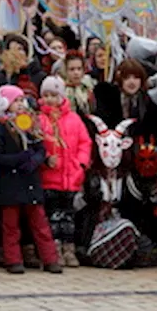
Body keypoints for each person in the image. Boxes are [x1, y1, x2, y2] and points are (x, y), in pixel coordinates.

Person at [0, 85, 61, 275]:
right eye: (15, 101)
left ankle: (50, 258)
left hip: (30, 178)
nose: (20, 105)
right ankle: (13, 259)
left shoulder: (30, 123)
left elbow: (40, 147)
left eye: (21, 100)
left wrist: (36, 160)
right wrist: (20, 159)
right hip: (11, 180)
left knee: (40, 222)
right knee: (11, 225)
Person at [37, 75, 92, 267]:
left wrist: (81, 164)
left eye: (54, 95)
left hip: (71, 177)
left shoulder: (74, 119)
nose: (51, 99)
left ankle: (69, 248)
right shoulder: (40, 120)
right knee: (52, 216)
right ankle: (54, 249)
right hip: (49, 177)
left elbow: (85, 142)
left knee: (69, 216)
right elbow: (37, 145)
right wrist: (45, 160)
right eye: (47, 95)